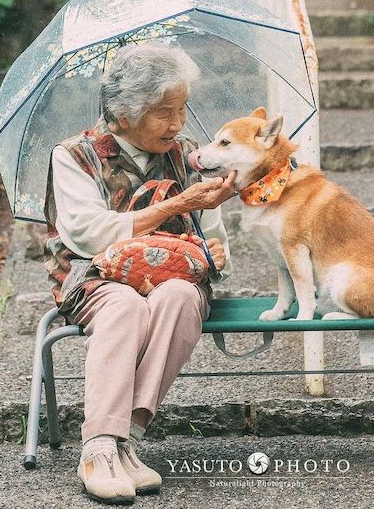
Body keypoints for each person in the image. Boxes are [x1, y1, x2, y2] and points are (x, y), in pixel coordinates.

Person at [43, 43, 236, 504]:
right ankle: (97, 449)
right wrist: (179, 204)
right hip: (96, 280)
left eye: (183, 108)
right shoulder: (75, 155)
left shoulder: (190, 155)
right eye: (164, 112)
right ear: (124, 115)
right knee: (127, 305)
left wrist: (215, 254)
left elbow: (214, 237)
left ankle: (123, 439)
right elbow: (89, 234)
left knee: (181, 298)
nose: (178, 123)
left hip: (174, 278)